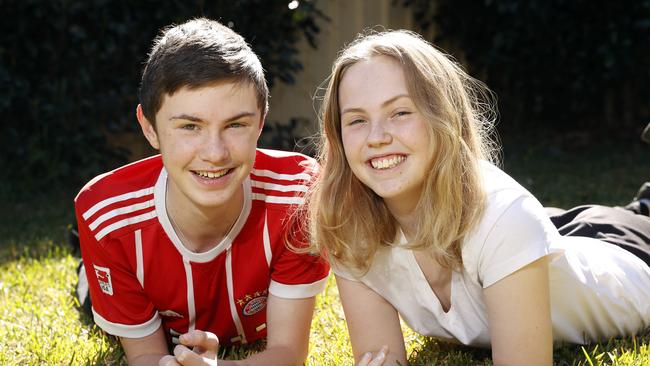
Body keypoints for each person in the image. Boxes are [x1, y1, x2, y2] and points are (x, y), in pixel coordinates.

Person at [307, 29, 650, 366]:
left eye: (400, 112)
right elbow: (382, 358)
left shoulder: (505, 216)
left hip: (630, 255)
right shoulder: (349, 224)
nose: (377, 136)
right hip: (548, 234)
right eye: (357, 120)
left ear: (443, 116)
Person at [74, 18, 329, 366]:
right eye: (190, 126)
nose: (215, 152)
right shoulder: (106, 216)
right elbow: (147, 355)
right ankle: (84, 267)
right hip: (129, 279)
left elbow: (287, 354)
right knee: (91, 285)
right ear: (150, 129)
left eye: (236, 125)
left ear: (261, 122)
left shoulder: (299, 196)